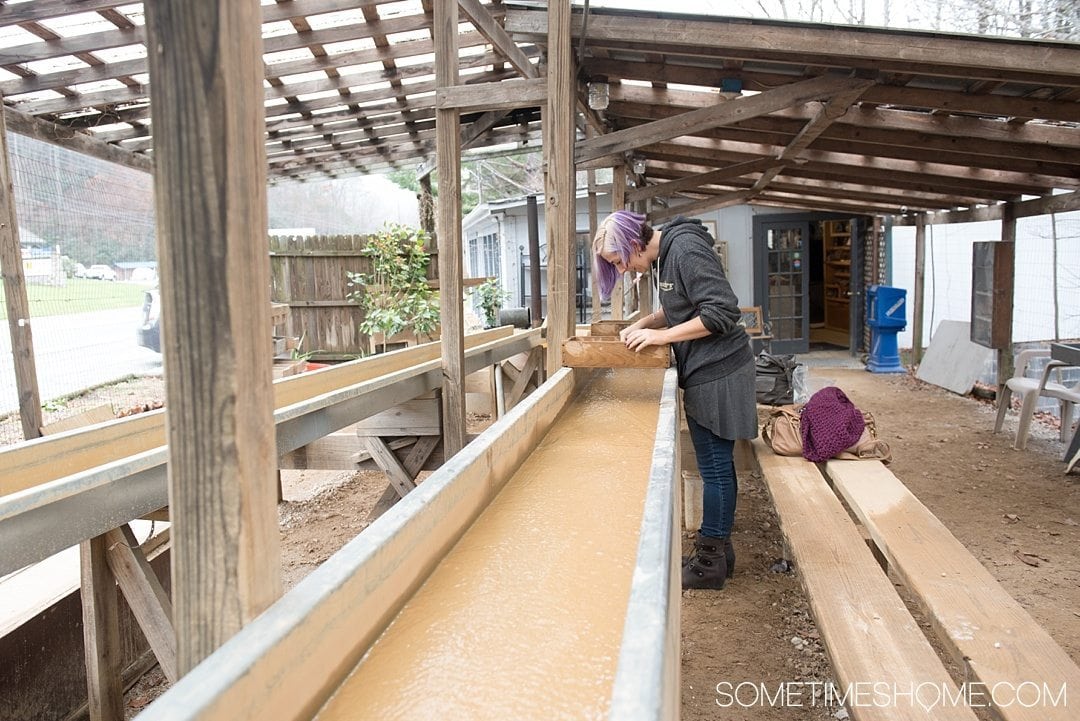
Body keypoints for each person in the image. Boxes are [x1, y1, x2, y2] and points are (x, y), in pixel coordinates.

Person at [593, 210, 757, 590]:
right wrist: (646, 324)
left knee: (714, 468)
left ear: (633, 243)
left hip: (720, 370)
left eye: (619, 261)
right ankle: (719, 552)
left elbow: (721, 311)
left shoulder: (684, 248)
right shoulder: (669, 254)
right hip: (707, 368)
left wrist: (660, 339)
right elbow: (684, 303)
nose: (624, 270)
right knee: (715, 466)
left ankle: (709, 566)